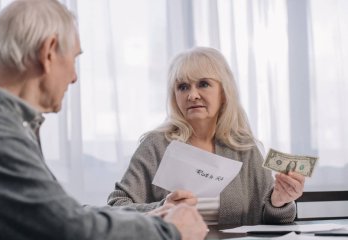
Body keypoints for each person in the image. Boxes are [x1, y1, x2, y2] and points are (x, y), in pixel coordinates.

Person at [0, 1, 207, 240]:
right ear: (48, 52)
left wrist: (153, 213)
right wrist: (171, 230)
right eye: (74, 58)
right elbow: (70, 233)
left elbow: (61, 214)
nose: (74, 77)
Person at [107, 47, 306, 226]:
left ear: (224, 92)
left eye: (203, 84)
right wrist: (161, 208)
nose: (192, 95)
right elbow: (116, 206)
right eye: (183, 87)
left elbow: (272, 218)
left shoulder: (245, 147)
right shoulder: (156, 145)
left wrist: (279, 202)